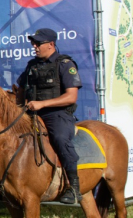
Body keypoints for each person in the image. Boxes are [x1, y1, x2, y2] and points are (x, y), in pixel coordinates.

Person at [15, 28, 83, 204]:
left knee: (60, 139)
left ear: (51, 45)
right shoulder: (31, 65)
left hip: (57, 114)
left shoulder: (65, 64)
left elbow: (71, 96)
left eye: (38, 43)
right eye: (33, 43)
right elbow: (21, 89)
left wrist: (42, 104)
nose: (34, 46)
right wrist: (19, 108)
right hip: (31, 113)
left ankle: (73, 188)